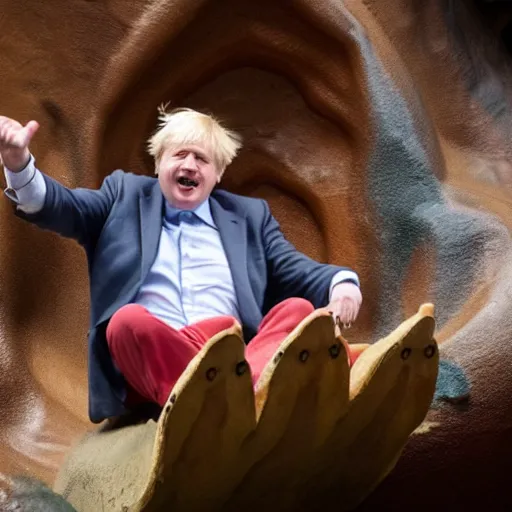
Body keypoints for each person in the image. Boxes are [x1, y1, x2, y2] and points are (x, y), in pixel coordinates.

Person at [0, 108, 362, 424]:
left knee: (297, 310)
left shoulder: (250, 216)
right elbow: (64, 207)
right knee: (126, 322)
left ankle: (255, 391)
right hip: (157, 352)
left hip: (233, 352)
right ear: (159, 163)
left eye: (202, 159)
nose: (189, 165)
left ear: (218, 173)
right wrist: (19, 165)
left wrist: (342, 284)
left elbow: (294, 268)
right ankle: (209, 404)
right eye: (179, 155)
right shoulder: (122, 195)